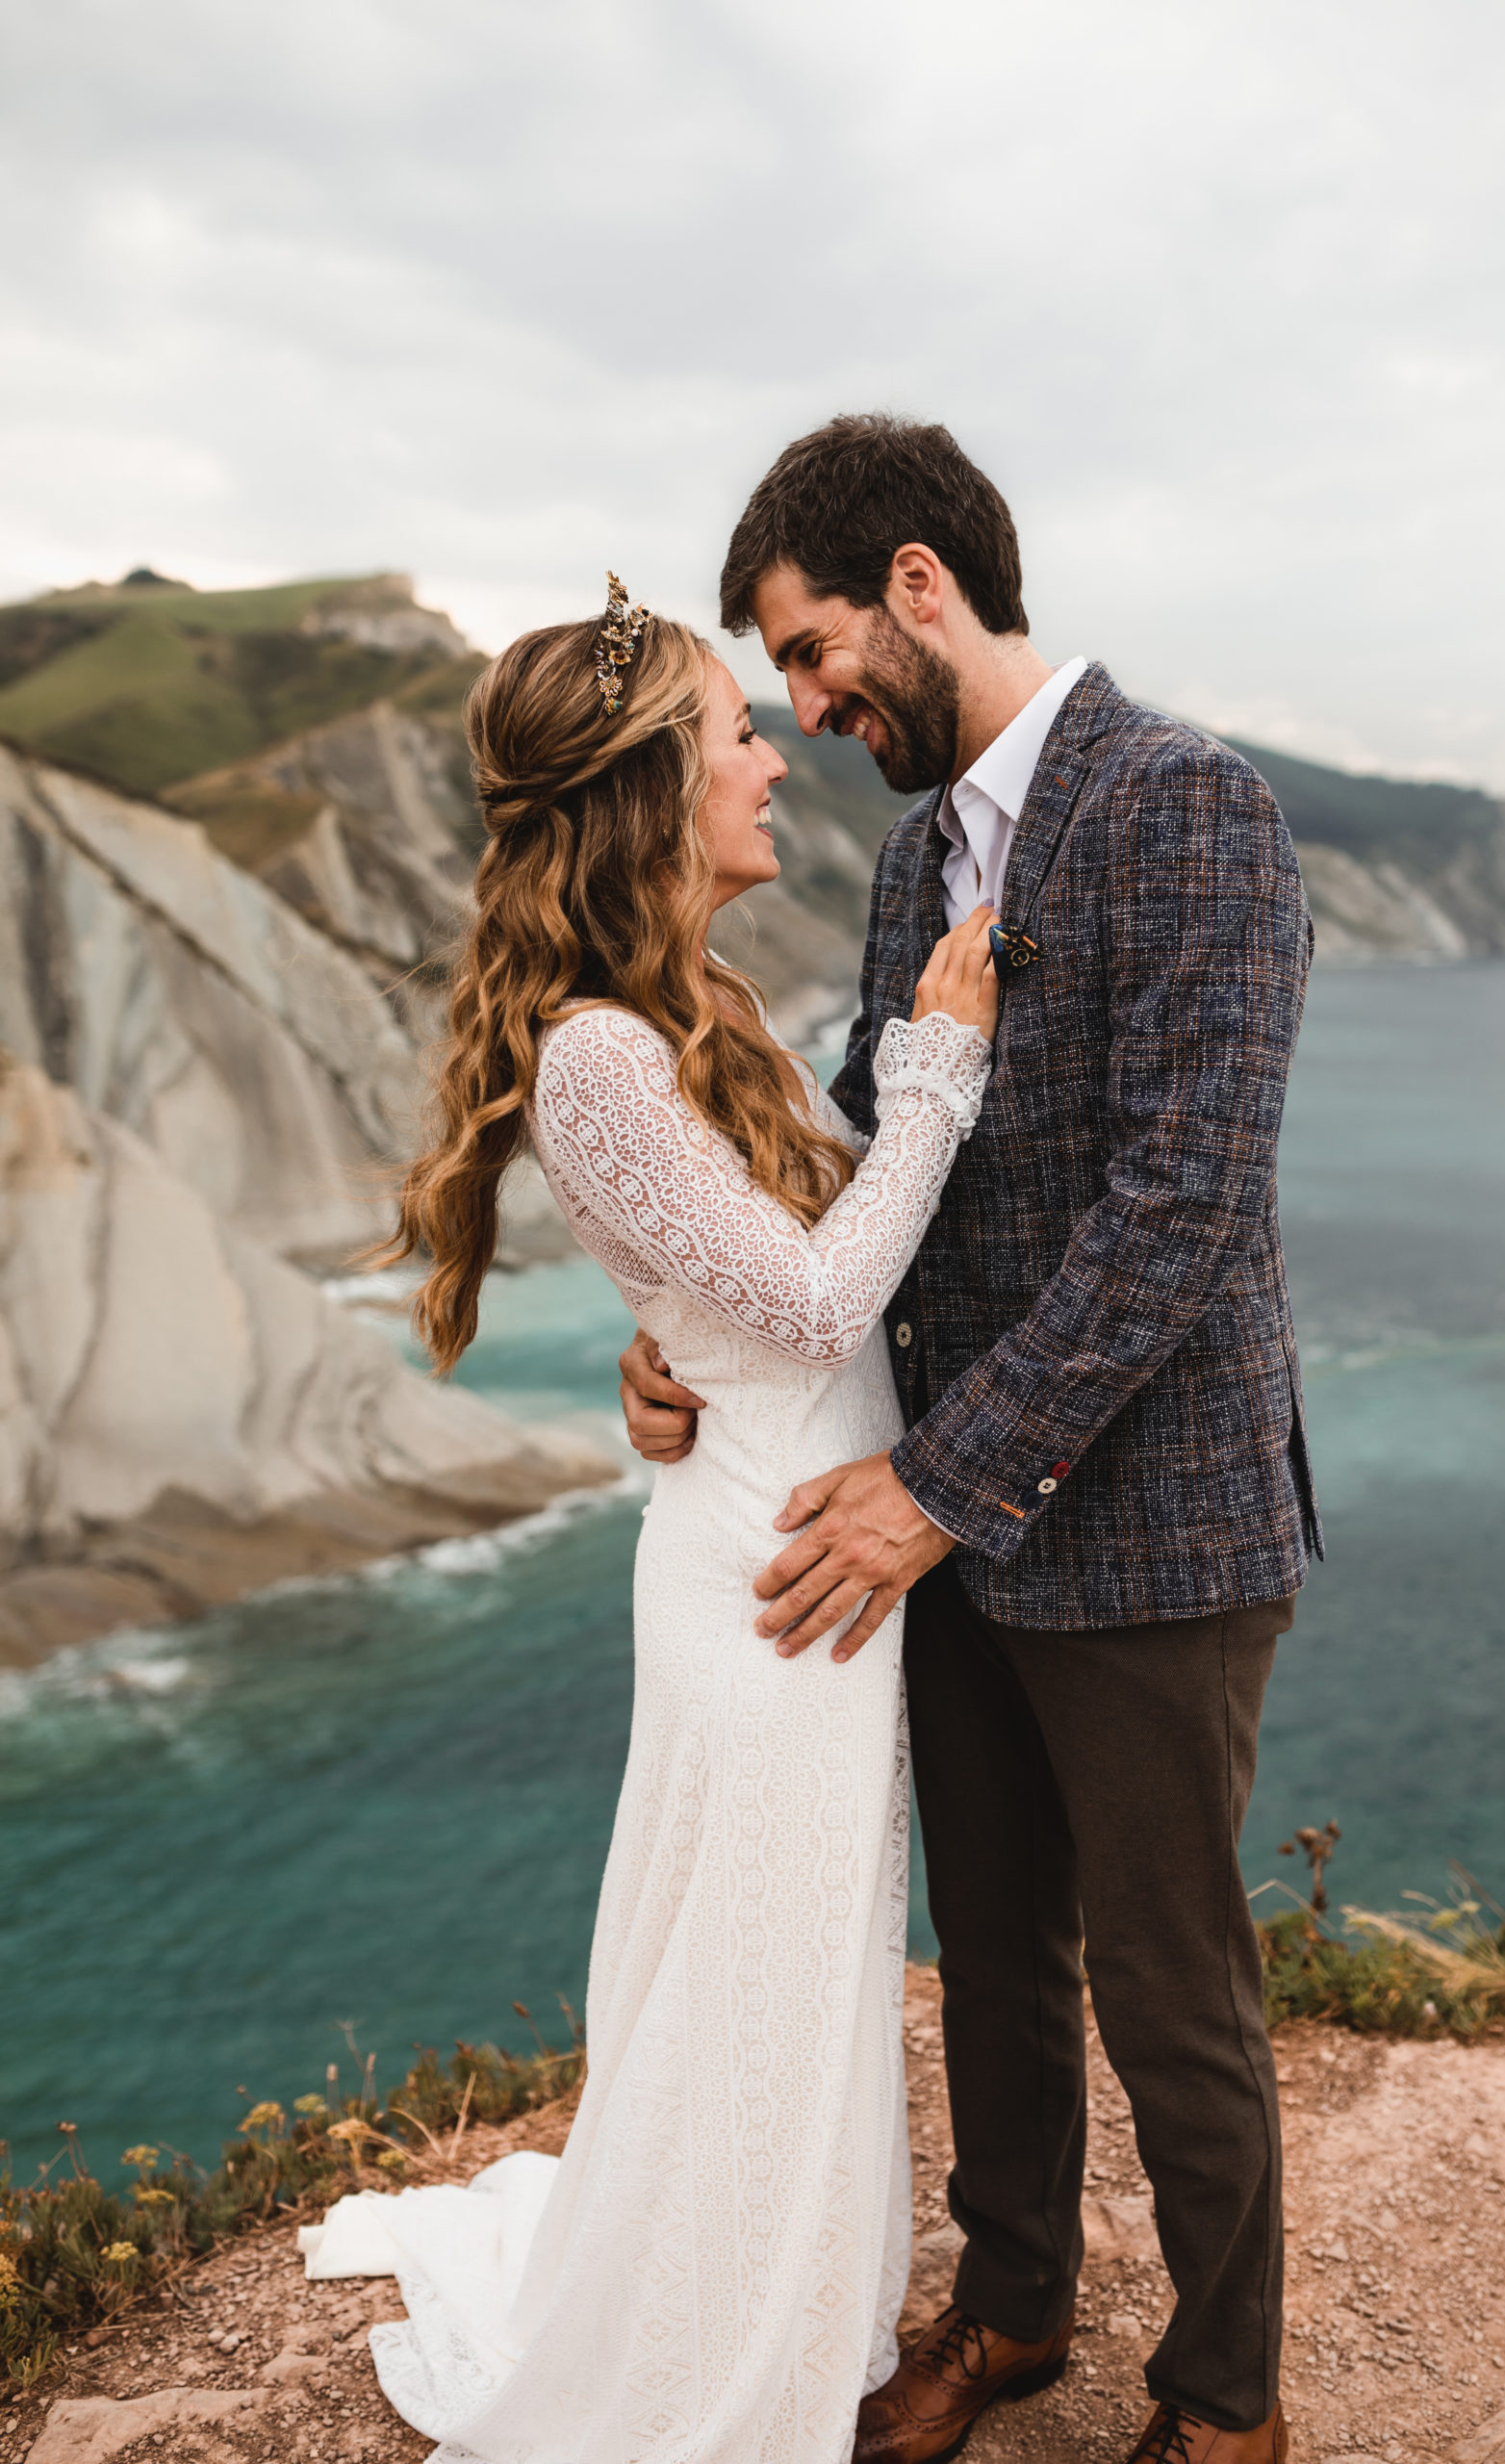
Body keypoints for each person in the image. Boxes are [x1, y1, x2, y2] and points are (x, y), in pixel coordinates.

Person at [620, 419, 1321, 2464]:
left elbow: (1178, 1211)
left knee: (1169, 1980)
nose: (808, 702)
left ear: (918, 582)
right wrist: (683, 1345)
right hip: (959, 1524)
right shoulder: (920, 856)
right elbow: (852, 1163)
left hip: (1153, 1525)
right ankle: (1011, 2309)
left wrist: (932, 1483)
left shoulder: (1191, 806)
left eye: (814, 648)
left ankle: (1222, 2397)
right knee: (992, 1952)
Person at [299, 578, 1001, 2464]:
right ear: (645, 793)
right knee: (749, 1982)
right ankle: (703, 2365)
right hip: (773, 1589)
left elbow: (729, 1287)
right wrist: (934, 1071)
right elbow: (812, 1301)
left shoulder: (685, 1009)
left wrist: (659, 1343)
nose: (772, 755)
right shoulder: (603, 1051)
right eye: (731, 736)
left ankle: (787, 2313)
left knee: (801, 1967)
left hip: (794, 1544)